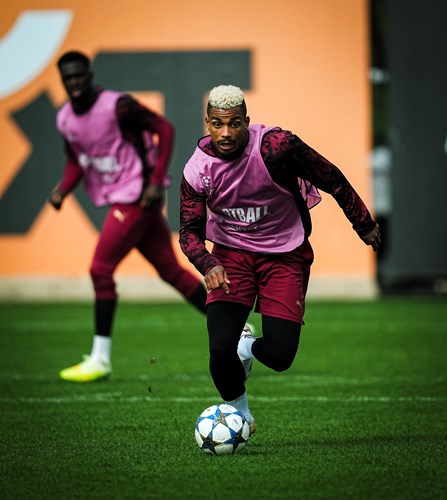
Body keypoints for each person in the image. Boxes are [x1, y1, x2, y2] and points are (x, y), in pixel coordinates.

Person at [179, 85, 381, 435]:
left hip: (285, 254)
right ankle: (241, 416)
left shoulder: (276, 147)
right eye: (217, 124)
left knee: (280, 356)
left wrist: (362, 222)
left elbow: (330, 176)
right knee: (219, 348)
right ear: (207, 123)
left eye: (234, 123)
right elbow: (189, 232)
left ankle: (246, 346)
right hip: (231, 256)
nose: (225, 133)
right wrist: (208, 264)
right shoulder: (197, 170)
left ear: (246, 121)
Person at [48, 50, 209, 383]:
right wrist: (63, 190)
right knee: (171, 272)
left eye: (79, 75)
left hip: (135, 196)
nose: (74, 82)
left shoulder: (118, 106)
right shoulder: (65, 119)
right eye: (68, 78)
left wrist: (156, 180)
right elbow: (77, 160)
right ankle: (234, 328)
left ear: (89, 75)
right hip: (125, 198)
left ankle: (100, 359)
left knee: (100, 269)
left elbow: (164, 128)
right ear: (62, 80)